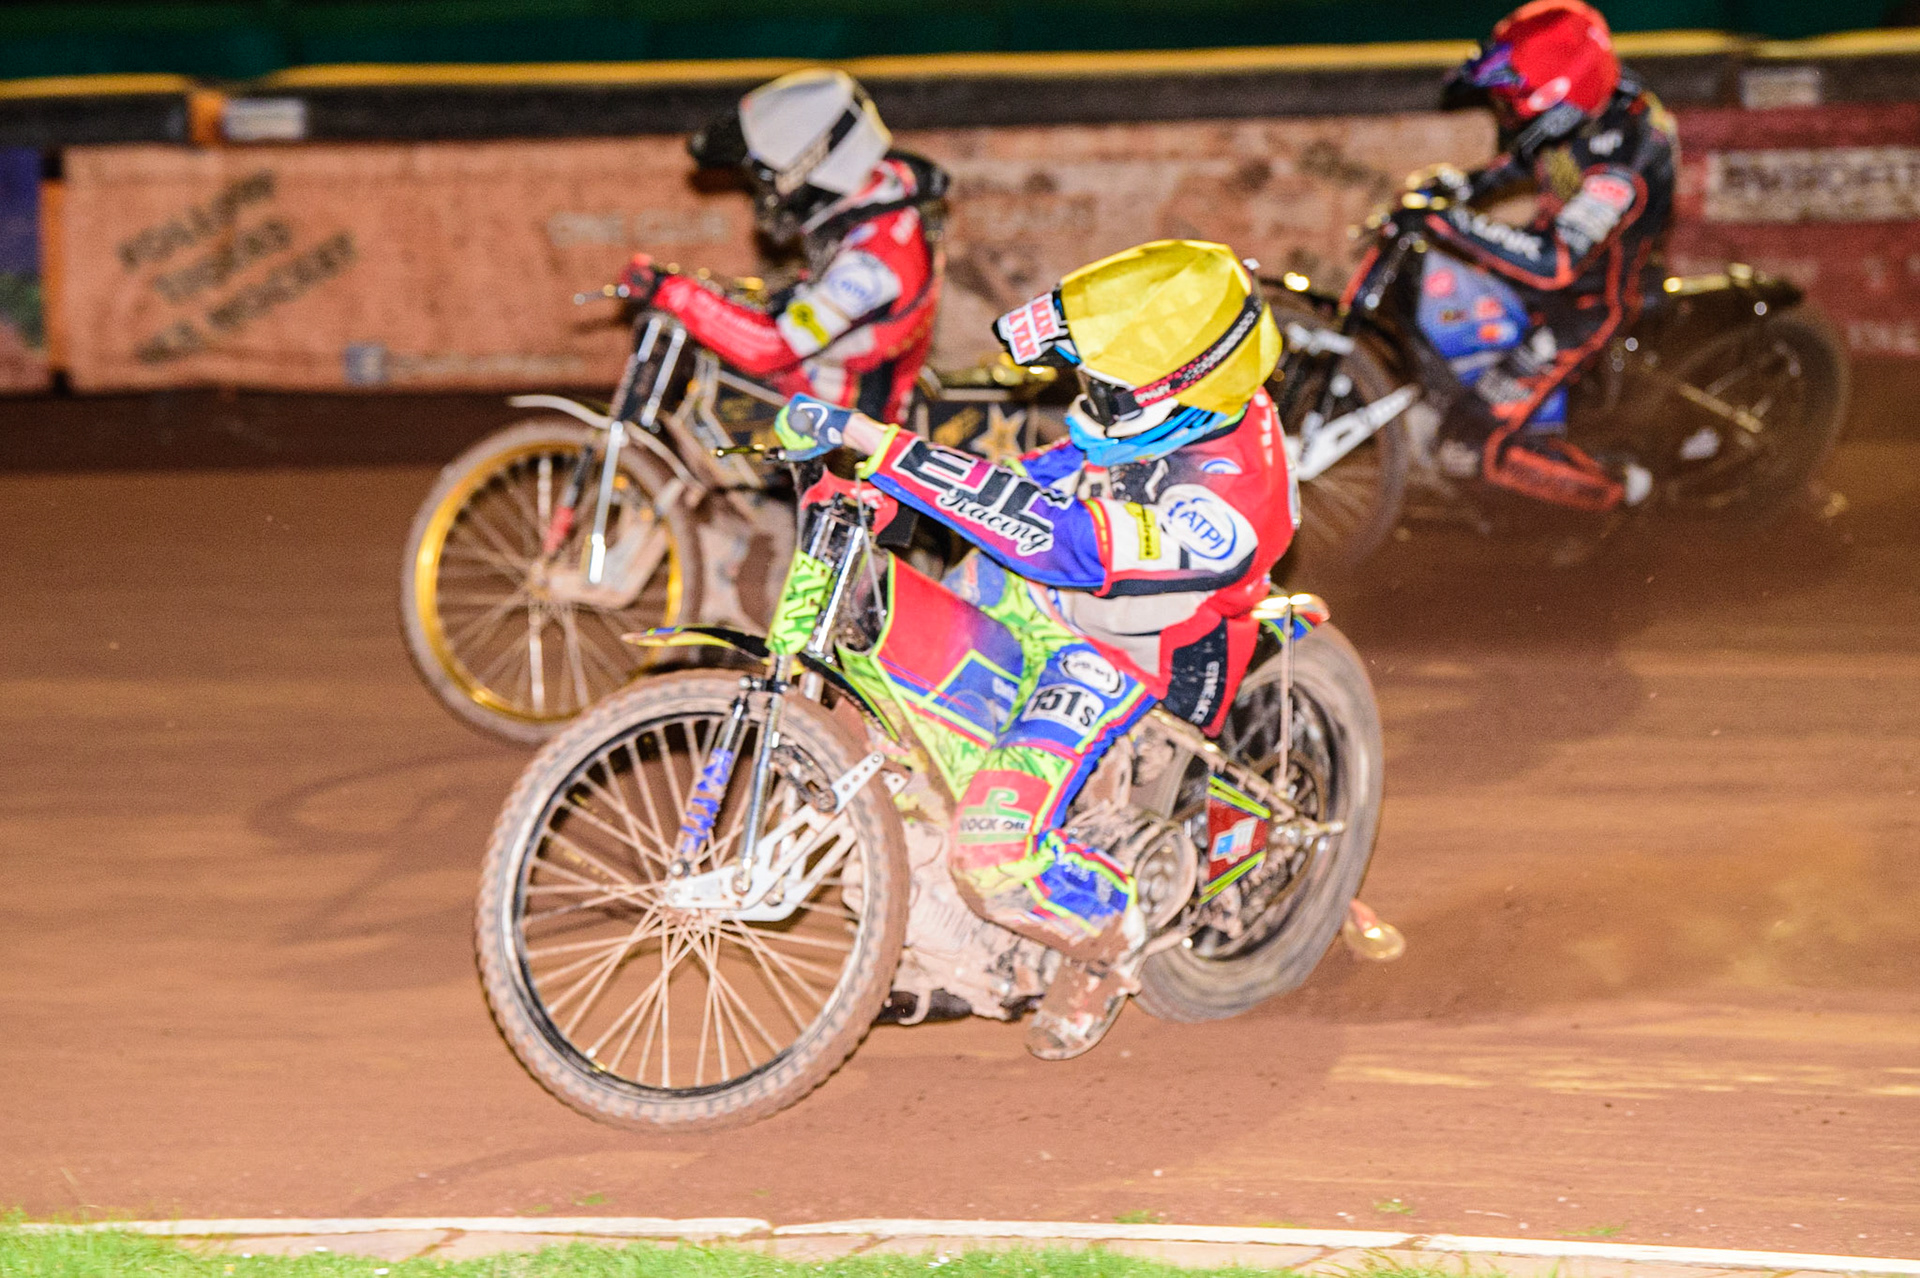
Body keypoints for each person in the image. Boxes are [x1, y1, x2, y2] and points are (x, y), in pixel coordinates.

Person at [771, 240, 1293, 1059]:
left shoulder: (1226, 503)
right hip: (1034, 597)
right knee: (887, 723)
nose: (1090, 398)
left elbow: (1065, 541)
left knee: (993, 853)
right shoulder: (1172, 403)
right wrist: (884, 489)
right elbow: (1043, 476)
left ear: (1184, 391)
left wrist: (889, 449)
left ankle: (1109, 938)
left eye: (1110, 390)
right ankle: (943, 942)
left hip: (1118, 651)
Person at [1419, 0, 1674, 512]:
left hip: (1588, 305)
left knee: (1466, 445)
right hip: (1553, 278)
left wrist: (1458, 222)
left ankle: (1622, 493)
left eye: (1516, 103)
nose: (1507, 112)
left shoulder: (1630, 155)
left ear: (1562, 101)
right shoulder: (1592, 101)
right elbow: (1530, 161)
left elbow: (1556, 262)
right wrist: (1463, 186)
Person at [619, 68, 947, 423]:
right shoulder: (881, 196)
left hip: (849, 438)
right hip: (826, 391)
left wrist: (675, 293)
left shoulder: (872, 265)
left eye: (768, 181)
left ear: (814, 165)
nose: (766, 197)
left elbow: (770, 348)